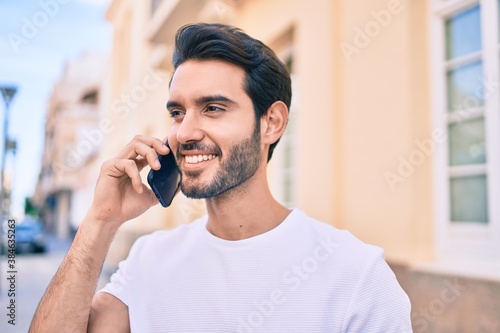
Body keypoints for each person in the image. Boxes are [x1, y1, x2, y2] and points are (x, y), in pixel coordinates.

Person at [30, 23, 412, 333]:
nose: (184, 132)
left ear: (272, 123)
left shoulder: (356, 276)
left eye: (212, 108)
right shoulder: (149, 260)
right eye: (178, 112)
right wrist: (100, 221)